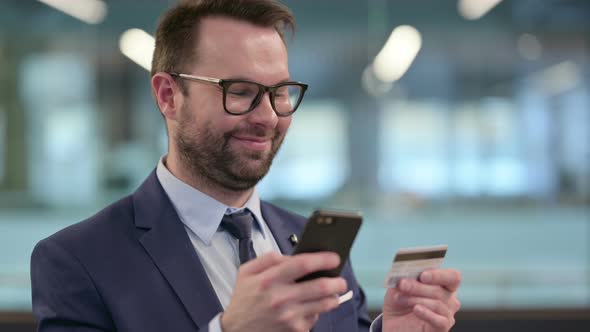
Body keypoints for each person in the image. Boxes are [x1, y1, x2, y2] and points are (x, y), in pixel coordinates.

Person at [30, 0, 461, 331]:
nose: (268, 116)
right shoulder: (78, 260)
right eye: (239, 90)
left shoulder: (312, 245)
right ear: (167, 96)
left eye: (281, 92)